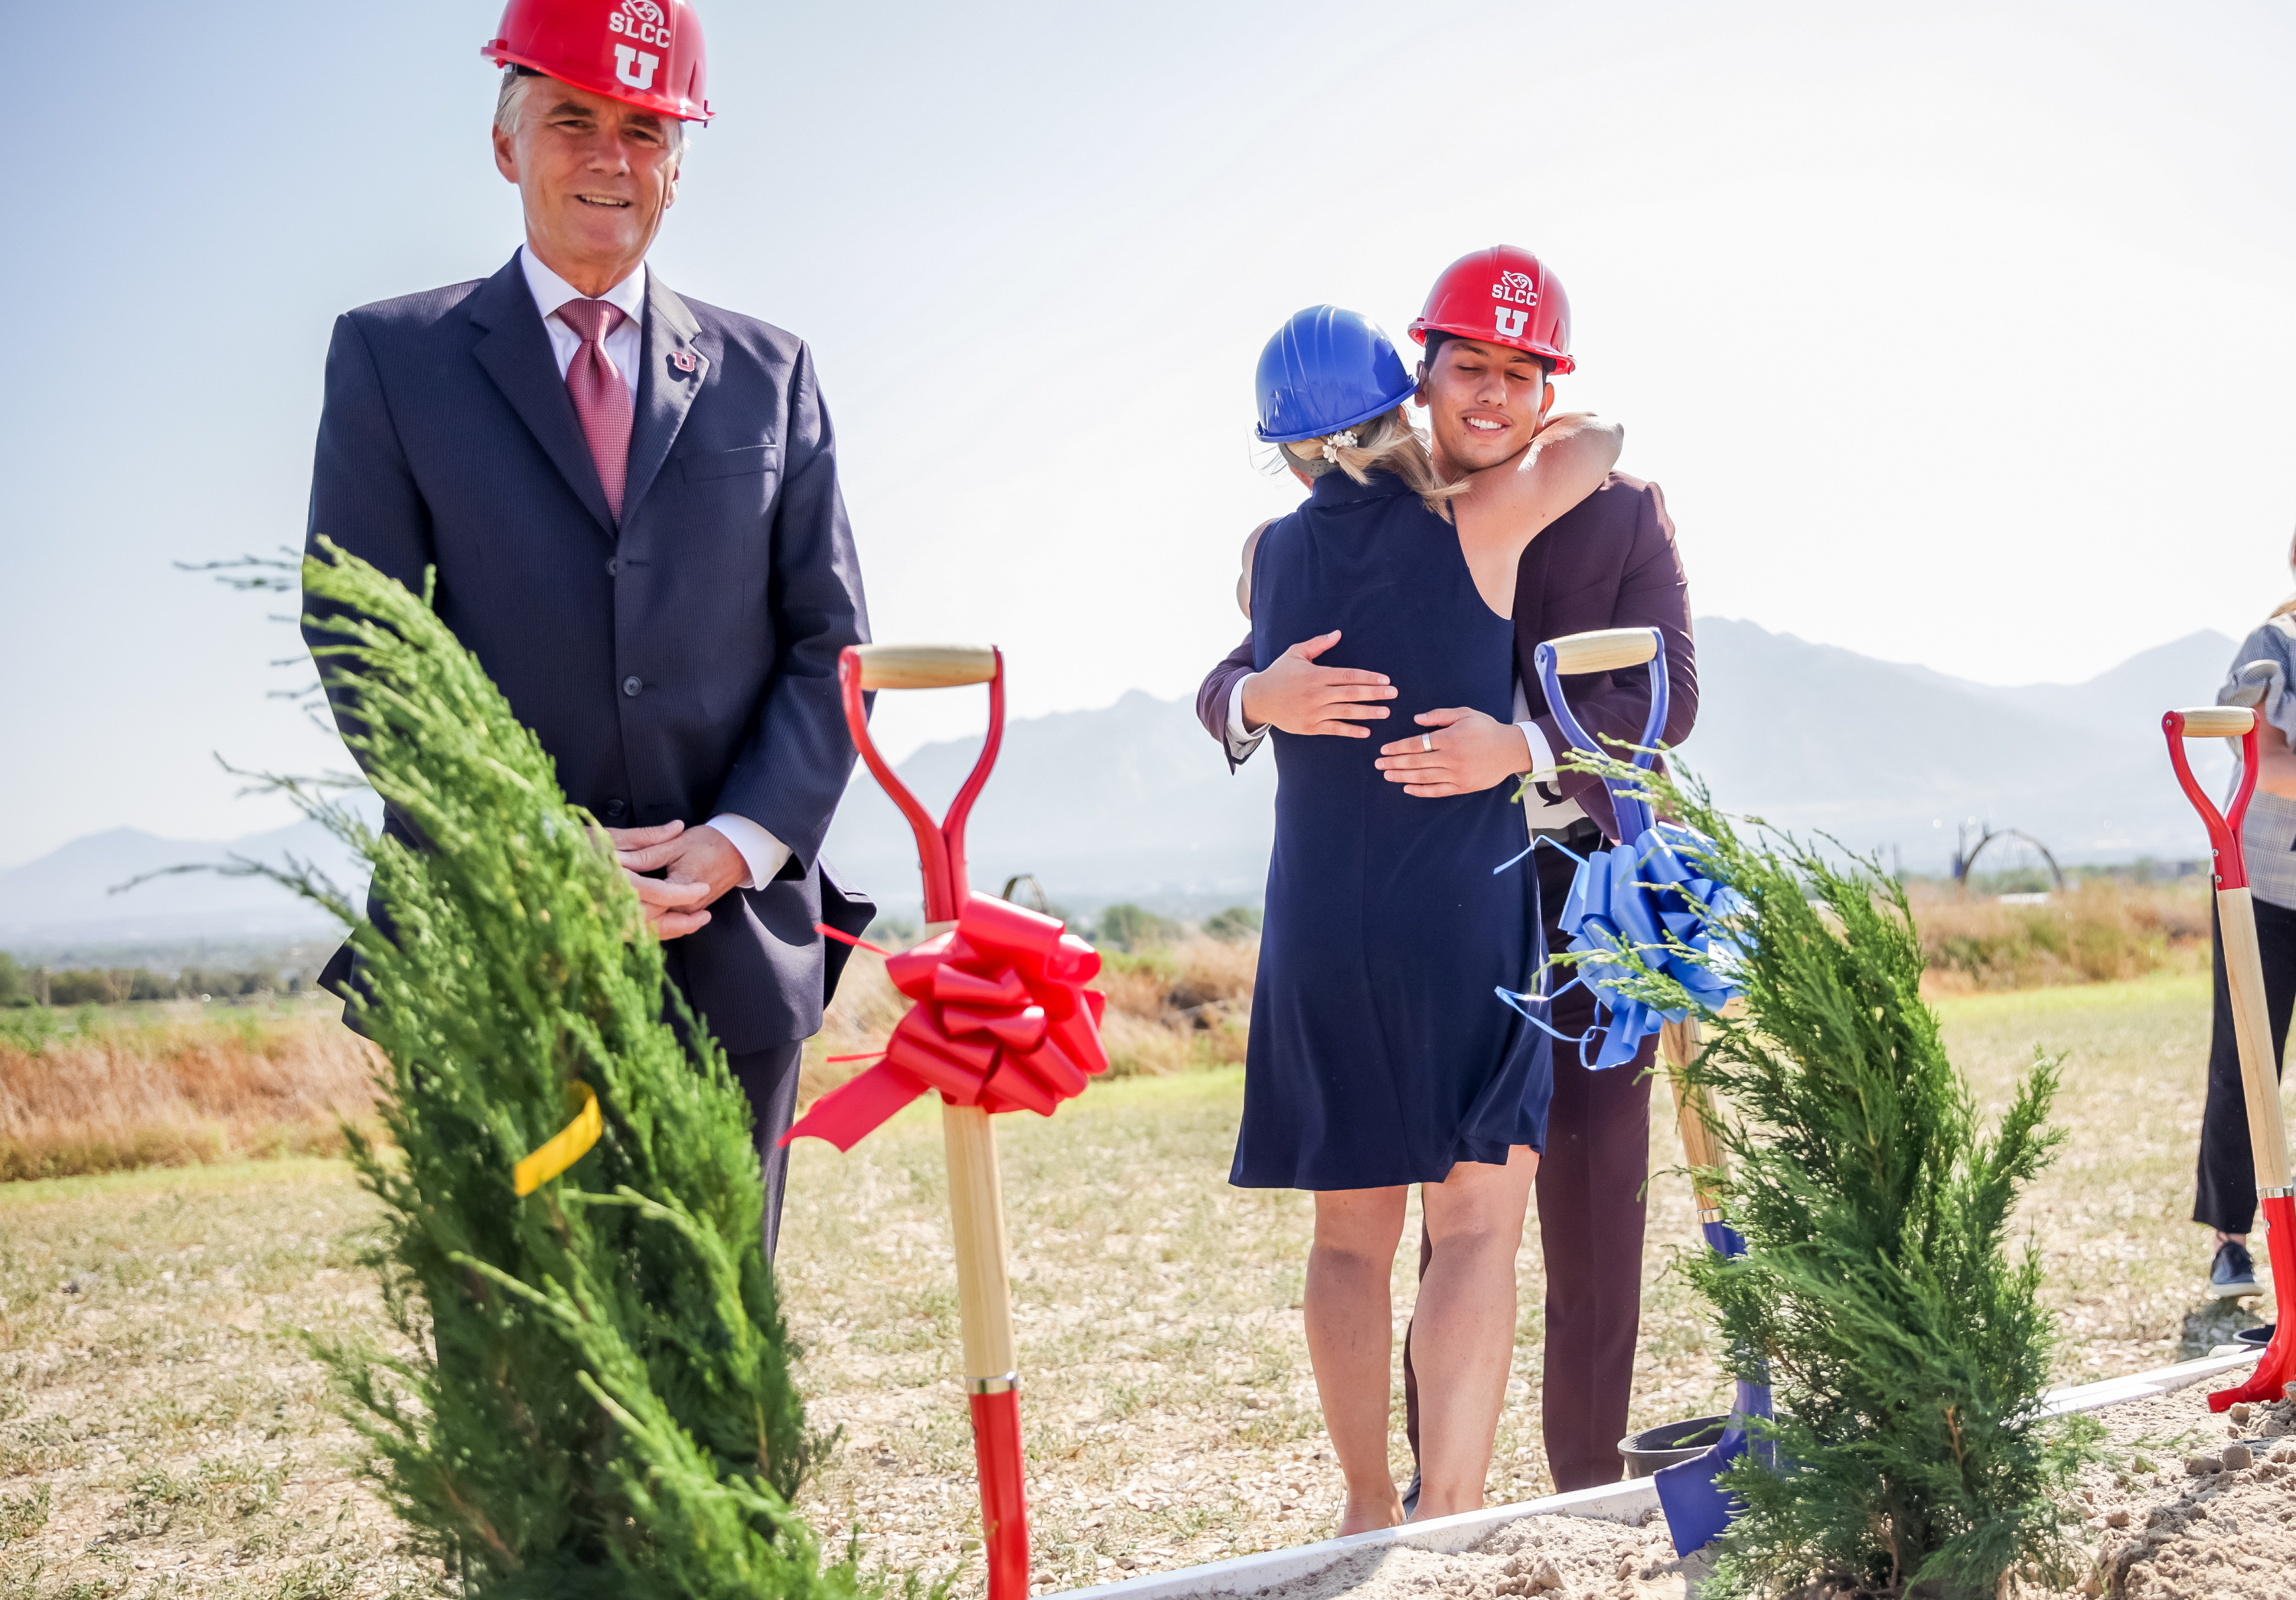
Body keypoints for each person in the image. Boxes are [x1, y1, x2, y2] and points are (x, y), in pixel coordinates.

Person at [302, 0, 871, 1259]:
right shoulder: (393, 360)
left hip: (725, 958)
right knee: (523, 1373)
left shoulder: (771, 375)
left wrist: (735, 843)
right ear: (508, 143)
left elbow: (829, 648)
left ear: (679, 161)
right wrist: (534, 846)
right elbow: (367, 640)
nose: (611, 156)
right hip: (502, 955)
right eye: (574, 119)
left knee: (719, 1368)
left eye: (645, 127)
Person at [1197, 247, 1699, 1494]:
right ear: (1417, 377)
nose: (1492, 394)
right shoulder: (1410, 519)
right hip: (1449, 908)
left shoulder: (1616, 514)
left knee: (1587, 1215)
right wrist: (1256, 697)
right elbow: (1234, 671)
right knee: (1456, 1226)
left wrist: (1522, 746)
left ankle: (1567, 1493)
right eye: (1467, 366)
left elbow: (1668, 695)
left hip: (1573, 896)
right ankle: (1439, 1499)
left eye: (1522, 373)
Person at [2197, 528, 2296, 1300]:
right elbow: (2268, 759)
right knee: (2246, 1066)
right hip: (2260, 888)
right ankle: (2232, 1242)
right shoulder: (2275, 643)